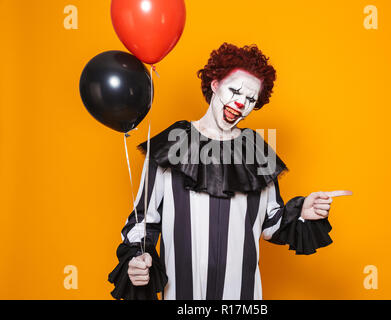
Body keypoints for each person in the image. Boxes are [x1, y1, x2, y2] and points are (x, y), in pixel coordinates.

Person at [108, 42, 352, 300]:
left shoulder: (258, 151)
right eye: (235, 90)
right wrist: (138, 256)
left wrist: (302, 211)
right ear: (215, 84)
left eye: (250, 99)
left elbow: (271, 223)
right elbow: (143, 220)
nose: (240, 103)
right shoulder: (171, 143)